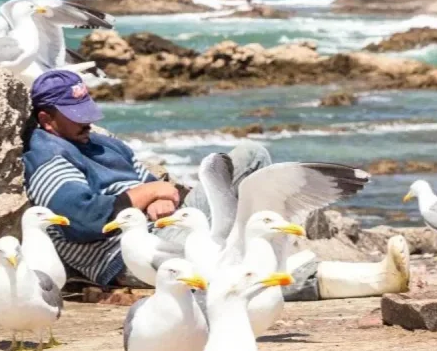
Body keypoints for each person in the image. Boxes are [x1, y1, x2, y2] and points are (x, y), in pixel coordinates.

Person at [23, 70, 411, 300]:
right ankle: (366, 280)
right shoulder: (49, 156)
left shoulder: (98, 142)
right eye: (75, 114)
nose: (87, 121)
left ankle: (265, 252)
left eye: (86, 110)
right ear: (47, 119)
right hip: (127, 252)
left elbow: (159, 186)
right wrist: (149, 195)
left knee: (252, 155)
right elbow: (82, 218)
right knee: (224, 278)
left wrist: (160, 196)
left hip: (165, 226)